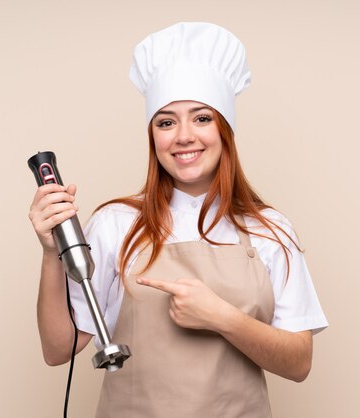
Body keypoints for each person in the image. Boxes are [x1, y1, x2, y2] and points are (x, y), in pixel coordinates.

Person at [29, 22, 328, 418]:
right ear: (153, 136)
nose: (184, 136)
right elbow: (58, 350)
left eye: (202, 118)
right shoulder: (116, 223)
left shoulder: (269, 229)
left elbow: (299, 363)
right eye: (166, 122)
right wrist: (52, 254)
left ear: (226, 130)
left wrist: (222, 317)